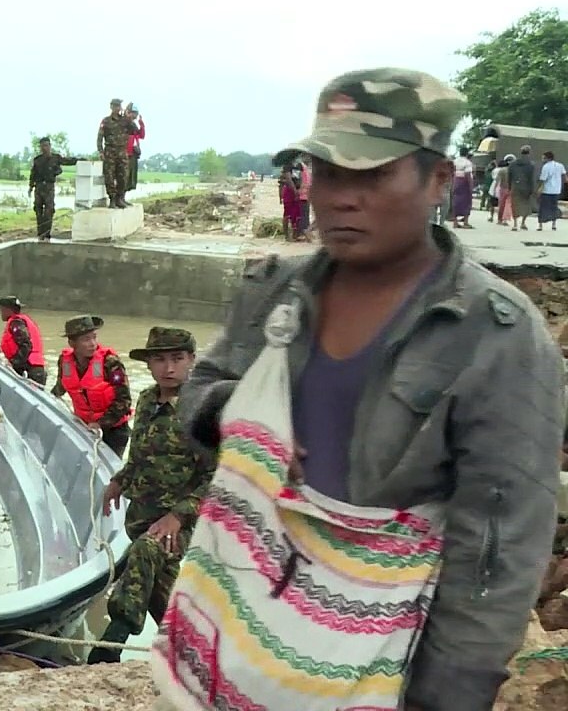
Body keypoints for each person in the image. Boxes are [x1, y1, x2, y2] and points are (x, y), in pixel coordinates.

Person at [177, 67, 562, 710]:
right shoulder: (275, 291)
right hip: (241, 625)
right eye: (326, 172)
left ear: (440, 179)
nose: (339, 198)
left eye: (372, 175)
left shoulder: (497, 336)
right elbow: (203, 388)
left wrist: (447, 697)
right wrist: (240, 422)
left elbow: (496, 551)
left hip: (378, 661)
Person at [90, 327, 214, 665]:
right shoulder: (145, 401)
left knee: (145, 551)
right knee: (161, 594)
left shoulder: (202, 410)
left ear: (191, 360)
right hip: (141, 513)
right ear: (149, 364)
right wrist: (119, 480)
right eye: (160, 359)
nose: (168, 367)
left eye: (177, 358)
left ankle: (109, 646)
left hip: (178, 521)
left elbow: (215, 477)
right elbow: (139, 456)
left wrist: (178, 516)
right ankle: (189, 655)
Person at [51, 315, 132, 457]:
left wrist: (100, 423)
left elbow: (124, 400)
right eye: (86, 339)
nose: (93, 343)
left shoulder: (110, 362)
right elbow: (61, 386)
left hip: (114, 430)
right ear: (72, 343)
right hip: (84, 426)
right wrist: (48, 398)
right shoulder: (65, 361)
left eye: (94, 337)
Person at [28, 137, 81, 241]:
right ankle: (40, 234)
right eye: (42, 146)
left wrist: (79, 160)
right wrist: (30, 186)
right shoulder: (37, 160)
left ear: (50, 146)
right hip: (38, 188)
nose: (45, 148)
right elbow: (32, 174)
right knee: (38, 211)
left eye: (46, 145)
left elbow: (67, 161)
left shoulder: (55, 158)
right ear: (40, 147)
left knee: (49, 210)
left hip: (49, 187)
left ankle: (47, 234)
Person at [0, 295, 47, 387]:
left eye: (2, 310)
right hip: (35, 368)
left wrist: (14, 364)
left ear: (8, 310)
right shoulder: (22, 320)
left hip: (30, 369)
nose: (1, 313)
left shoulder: (16, 323)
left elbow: (26, 345)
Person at [96, 99, 138, 209]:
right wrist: (100, 151)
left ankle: (120, 198)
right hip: (110, 152)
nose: (117, 108)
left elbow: (135, 131)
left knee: (123, 176)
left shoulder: (125, 121)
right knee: (109, 177)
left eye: (119, 106)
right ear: (111, 107)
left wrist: (129, 119)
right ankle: (113, 200)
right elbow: (100, 137)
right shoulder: (106, 121)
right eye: (115, 106)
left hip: (122, 152)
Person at [510, 144, 538, 230]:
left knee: (515, 205)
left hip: (515, 187)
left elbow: (509, 176)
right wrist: (533, 190)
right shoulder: (531, 165)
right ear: (529, 153)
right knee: (526, 206)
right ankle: (523, 223)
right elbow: (532, 178)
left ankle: (515, 224)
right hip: (526, 188)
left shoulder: (513, 164)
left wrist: (509, 187)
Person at [537, 150, 566, 232]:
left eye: (543, 158)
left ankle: (540, 225)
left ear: (547, 158)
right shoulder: (560, 165)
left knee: (543, 208)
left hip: (547, 190)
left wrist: (539, 190)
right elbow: (564, 176)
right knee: (554, 207)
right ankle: (554, 224)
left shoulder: (546, 167)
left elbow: (543, 180)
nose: (542, 160)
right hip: (556, 190)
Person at [451, 146, 475, 229]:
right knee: (467, 202)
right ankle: (465, 222)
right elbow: (468, 174)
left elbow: (452, 172)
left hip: (455, 181)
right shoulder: (468, 163)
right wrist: (471, 186)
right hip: (464, 183)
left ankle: (455, 222)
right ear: (467, 153)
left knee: (455, 201)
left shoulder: (454, 161)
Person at [125, 104, 145, 191]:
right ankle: (121, 197)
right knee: (126, 175)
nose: (136, 115)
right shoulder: (125, 123)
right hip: (127, 153)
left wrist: (141, 124)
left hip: (133, 153)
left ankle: (123, 197)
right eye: (135, 113)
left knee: (131, 176)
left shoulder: (133, 124)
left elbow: (141, 135)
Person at [278, 167, 302, 240]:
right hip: (289, 192)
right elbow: (287, 181)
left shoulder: (298, 165)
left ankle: (295, 235)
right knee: (287, 214)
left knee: (297, 214)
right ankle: (286, 236)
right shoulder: (287, 166)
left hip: (297, 191)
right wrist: (295, 192)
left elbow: (301, 178)